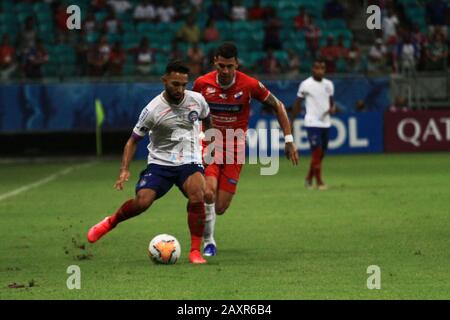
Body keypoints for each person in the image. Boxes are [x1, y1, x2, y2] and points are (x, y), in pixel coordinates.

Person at [87, 60, 212, 264]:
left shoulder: (197, 100)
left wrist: (208, 147)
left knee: (198, 195)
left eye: (184, 84)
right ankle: (111, 222)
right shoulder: (152, 110)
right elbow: (132, 141)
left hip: (189, 160)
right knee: (142, 202)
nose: (180, 89)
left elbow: (207, 120)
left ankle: (195, 252)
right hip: (160, 163)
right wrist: (124, 170)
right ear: (164, 81)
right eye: (175, 84)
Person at [192, 42, 299, 256]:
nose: (225, 71)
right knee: (208, 192)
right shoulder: (202, 84)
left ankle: (208, 228)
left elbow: (278, 105)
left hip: (235, 149)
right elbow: (189, 110)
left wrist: (288, 139)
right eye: (221, 66)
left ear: (236, 65)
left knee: (220, 207)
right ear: (215, 62)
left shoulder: (249, 85)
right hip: (209, 144)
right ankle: (208, 242)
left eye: (229, 66)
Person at [291, 59, 336, 190]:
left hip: (326, 123)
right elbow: (298, 103)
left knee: (321, 154)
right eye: (317, 68)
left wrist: (332, 108)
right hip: (312, 123)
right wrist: (291, 121)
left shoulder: (329, 84)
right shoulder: (306, 84)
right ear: (312, 69)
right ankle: (319, 182)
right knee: (317, 152)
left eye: (322, 68)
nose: (320, 71)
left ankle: (308, 179)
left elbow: (331, 102)